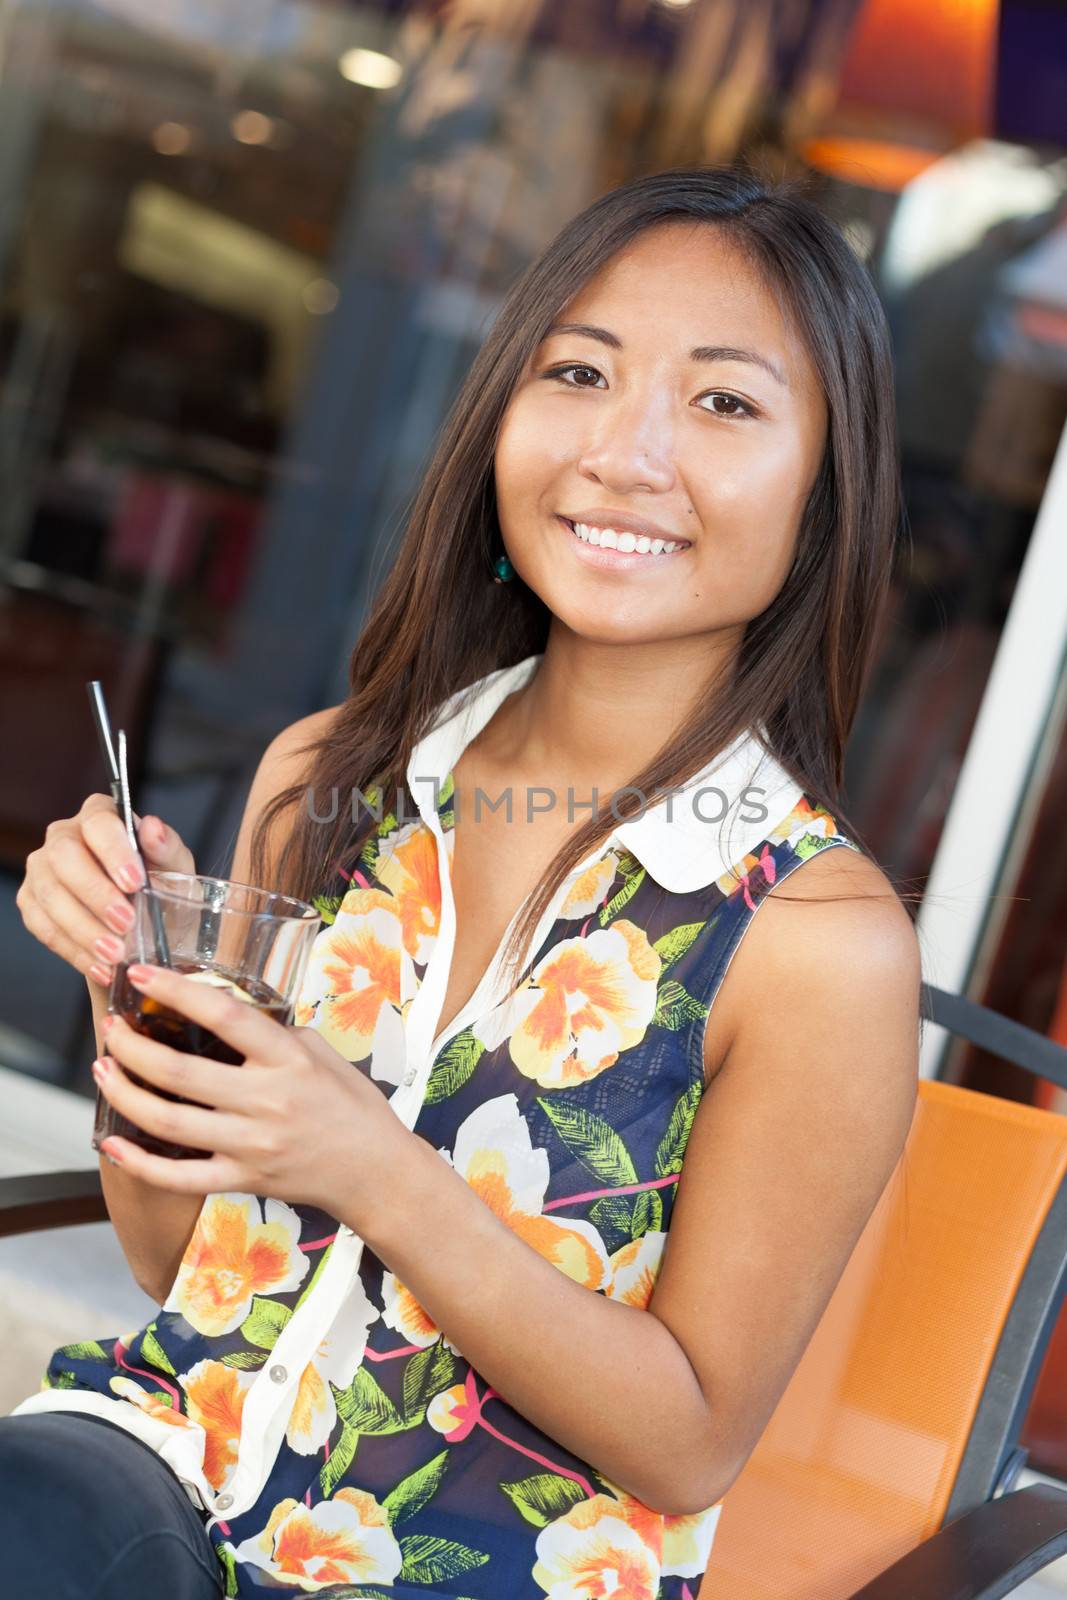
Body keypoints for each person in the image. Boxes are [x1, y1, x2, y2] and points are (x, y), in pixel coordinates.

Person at [4, 161, 921, 1599]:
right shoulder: (328, 781)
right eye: (580, 372)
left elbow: (688, 1444)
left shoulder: (813, 943)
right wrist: (142, 1002)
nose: (629, 452)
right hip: (165, 1466)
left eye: (725, 402)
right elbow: (175, 1262)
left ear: (827, 492)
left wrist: (369, 1166)